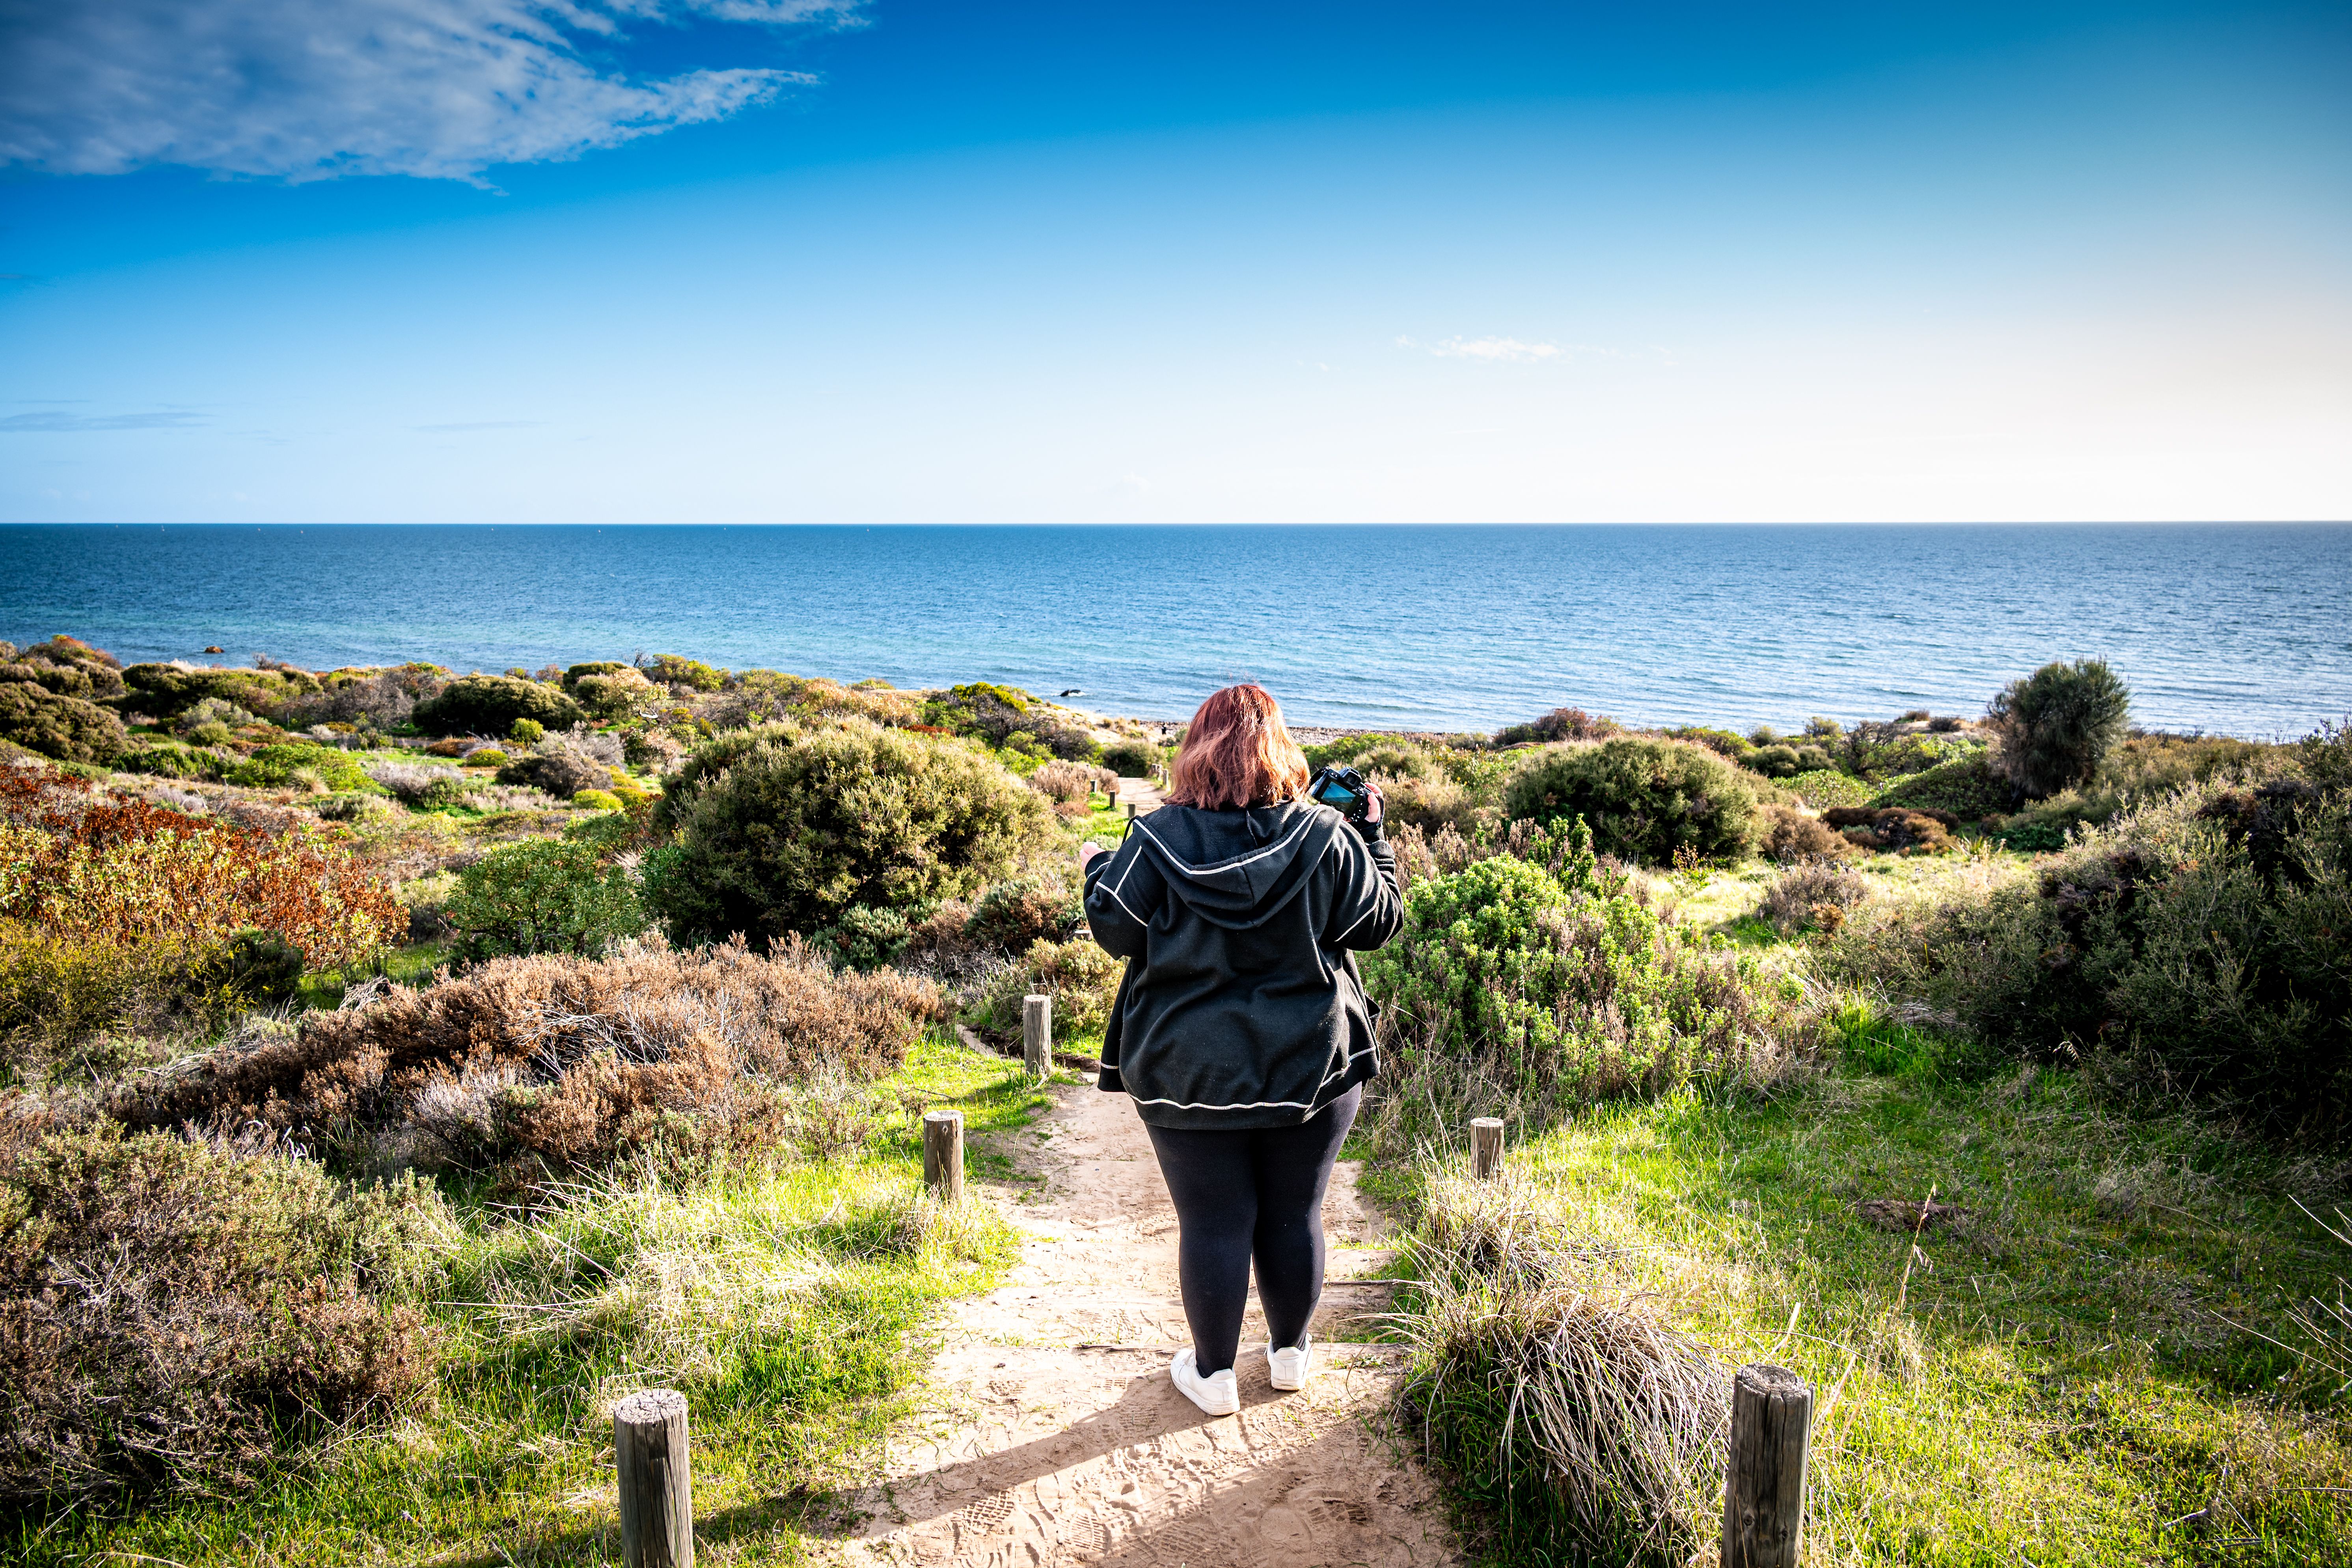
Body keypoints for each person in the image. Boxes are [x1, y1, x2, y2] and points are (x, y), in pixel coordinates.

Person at [1078, 683, 1401, 1417]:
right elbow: (1379, 922)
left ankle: (1213, 1375)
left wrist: (1099, 867)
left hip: (1187, 1067)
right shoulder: (1329, 834)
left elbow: (1116, 929)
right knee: (1296, 1213)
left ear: (1196, 750)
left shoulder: (1153, 840)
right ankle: (1288, 1357)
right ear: (1281, 749)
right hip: (1313, 1063)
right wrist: (1374, 834)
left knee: (1214, 1222)